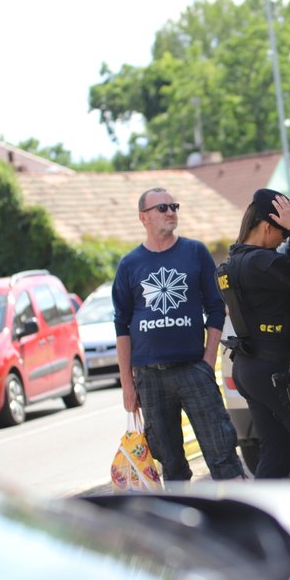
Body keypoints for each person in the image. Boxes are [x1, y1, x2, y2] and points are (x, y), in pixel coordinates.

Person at [113, 187, 244, 482]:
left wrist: (208, 360)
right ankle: (182, 523)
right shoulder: (129, 265)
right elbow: (121, 326)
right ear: (143, 218)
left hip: (193, 369)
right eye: (162, 208)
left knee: (222, 453)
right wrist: (127, 384)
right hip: (149, 377)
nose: (170, 212)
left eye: (173, 206)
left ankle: (237, 518)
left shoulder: (195, 252)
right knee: (169, 464)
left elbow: (215, 307)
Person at [218, 189, 290, 478]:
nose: (284, 241)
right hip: (274, 369)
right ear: (268, 227)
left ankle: (257, 518)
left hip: (250, 367)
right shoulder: (259, 263)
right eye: (282, 235)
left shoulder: (232, 264)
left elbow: (289, 273)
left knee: (278, 449)